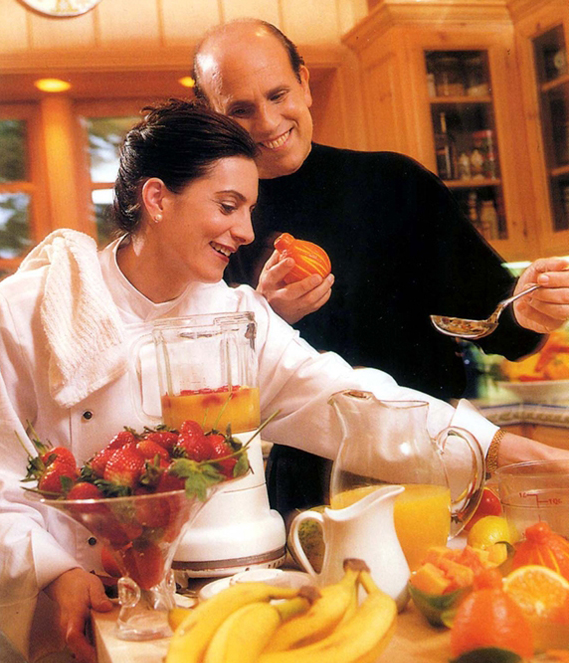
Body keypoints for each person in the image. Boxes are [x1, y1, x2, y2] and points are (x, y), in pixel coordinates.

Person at [0, 99, 564, 663]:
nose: (245, 232)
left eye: (249, 209)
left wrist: (500, 449)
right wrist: (56, 572)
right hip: (65, 616)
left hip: (203, 606)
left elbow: (350, 404)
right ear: (158, 199)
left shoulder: (237, 317)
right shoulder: (32, 310)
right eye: (227, 206)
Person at [192, 18, 569, 513]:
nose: (266, 123)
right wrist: (265, 318)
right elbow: (208, 388)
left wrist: (529, 309)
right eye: (240, 110)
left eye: (278, 94)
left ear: (304, 82)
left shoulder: (395, 184)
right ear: (212, 115)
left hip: (438, 465)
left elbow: (497, 326)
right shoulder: (212, 225)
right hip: (308, 491)